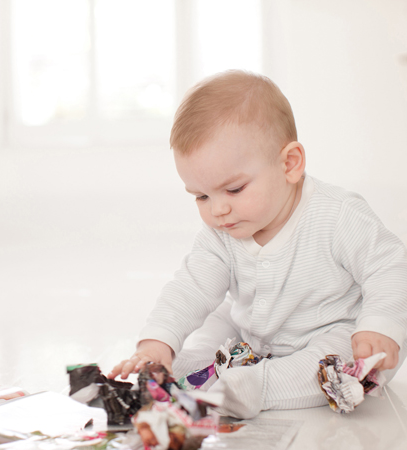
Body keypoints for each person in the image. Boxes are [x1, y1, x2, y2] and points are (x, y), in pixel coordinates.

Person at [108, 70, 407, 419]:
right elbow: (190, 286)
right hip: (253, 334)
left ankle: (256, 387)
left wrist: (379, 326)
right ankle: (178, 369)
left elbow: (389, 267)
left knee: (334, 359)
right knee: (216, 323)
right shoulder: (223, 232)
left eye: (234, 189)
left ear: (289, 164)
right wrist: (158, 341)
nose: (218, 209)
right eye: (202, 196)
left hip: (331, 330)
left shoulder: (337, 215)